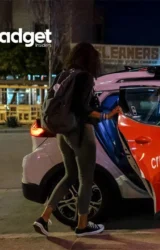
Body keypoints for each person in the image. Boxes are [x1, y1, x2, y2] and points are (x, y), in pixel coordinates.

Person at [33, 42, 122, 237]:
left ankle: (43, 218)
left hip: (63, 134)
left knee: (69, 176)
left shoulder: (64, 74)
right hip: (81, 132)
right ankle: (82, 225)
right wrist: (108, 115)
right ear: (91, 59)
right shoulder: (85, 77)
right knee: (86, 180)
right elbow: (83, 109)